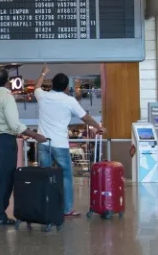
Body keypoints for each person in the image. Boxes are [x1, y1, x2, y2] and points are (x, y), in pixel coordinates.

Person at [34, 64, 104, 218]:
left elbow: (37, 86)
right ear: (66, 87)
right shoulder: (69, 101)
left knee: (45, 175)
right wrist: (98, 126)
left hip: (43, 143)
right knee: (65, 176)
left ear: (52, 84)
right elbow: (85, 117)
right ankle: (67, 209)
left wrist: (43, 73)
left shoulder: (43, 95)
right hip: (60, 144)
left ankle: (46, 206)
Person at [0, 69, 47, 225]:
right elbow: (15, 125)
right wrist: (36, 135)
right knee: (6, 177)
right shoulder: (7, 97)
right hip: (5, 140)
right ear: (7, 81)